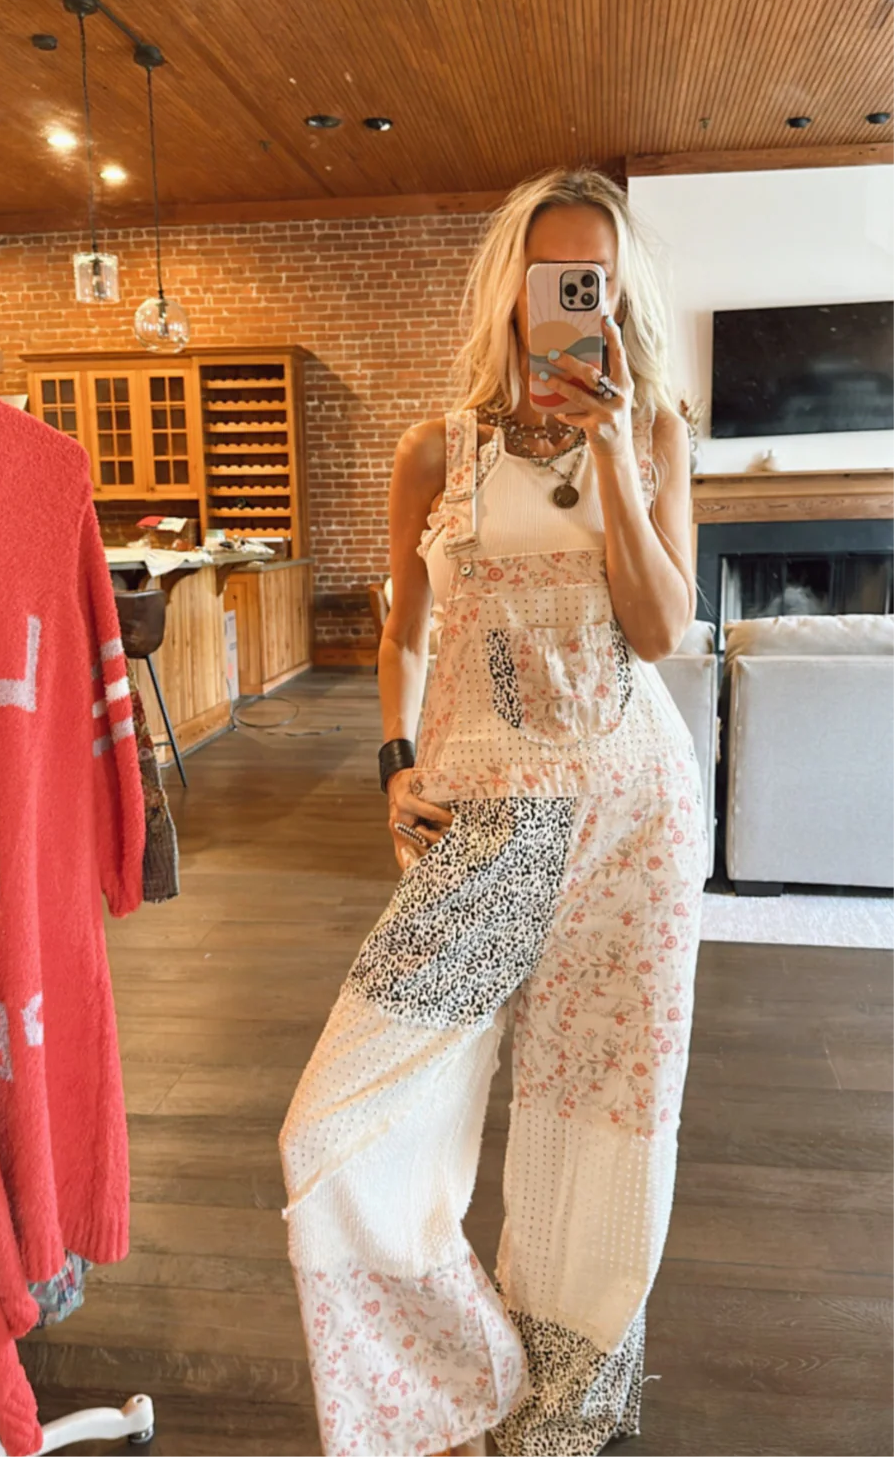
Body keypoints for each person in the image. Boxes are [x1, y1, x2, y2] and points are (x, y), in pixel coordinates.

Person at [279, 166, 709, 1457]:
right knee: (337, 1123)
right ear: (512, 292)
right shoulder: (437, 451)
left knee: (602, 1121)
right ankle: (464, 1384)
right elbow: (403, 636)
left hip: (634, 818)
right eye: (552, 277)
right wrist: (395, 759)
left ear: (618, 295)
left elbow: (661, 630)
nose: (576, 302)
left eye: (597, 281)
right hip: (491, 822)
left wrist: (611, 455)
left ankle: (558, 1419)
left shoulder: (655, 431)